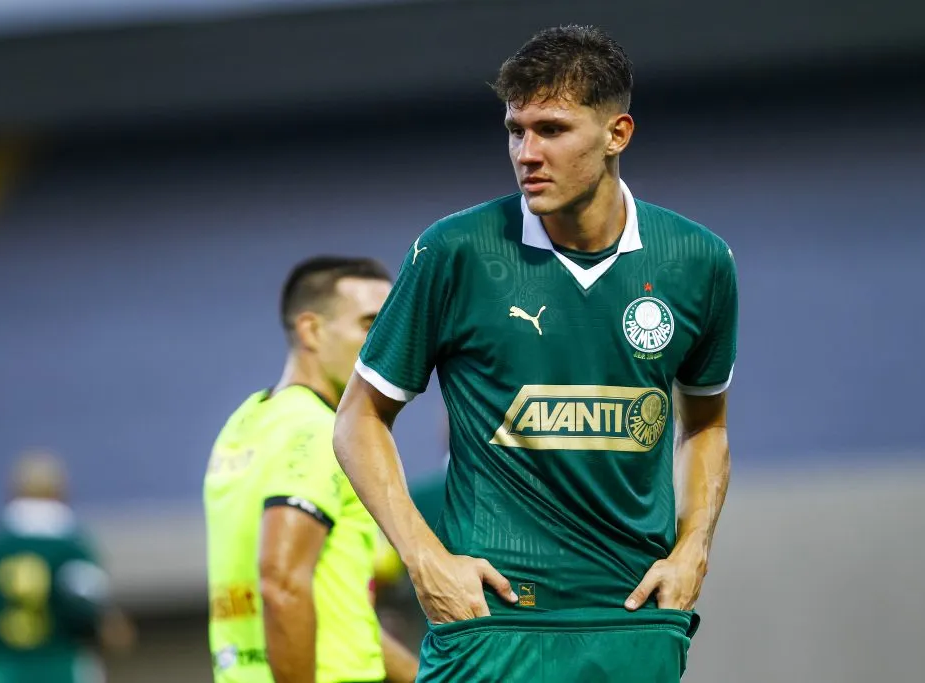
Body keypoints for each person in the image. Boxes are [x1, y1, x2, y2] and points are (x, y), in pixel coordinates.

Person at [333, 24, 737, 682]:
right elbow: (358, 418)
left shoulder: (698, 262)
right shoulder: (455, 251)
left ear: (617, 134)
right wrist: (424, 557)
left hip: (634, 621)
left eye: (551, 129)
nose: (527, 152)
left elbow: (707, 424)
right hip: (492, 626)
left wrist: (694, 549)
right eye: (515, 130)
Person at [204, 256, 419, 683]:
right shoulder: (321, 433)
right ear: (311, 330)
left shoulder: (246, 423)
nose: (390, 341)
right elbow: (282, 585)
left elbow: (341, 619)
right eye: (370, 324)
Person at [0, 451, 134, 683]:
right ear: (60, 491)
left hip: (2, 670)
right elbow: (89, 608)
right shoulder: (72, 544)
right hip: (61, 668)